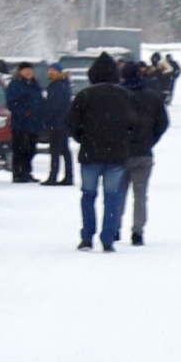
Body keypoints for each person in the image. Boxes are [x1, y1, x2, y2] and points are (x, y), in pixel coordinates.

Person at [65, 52, 139, 252]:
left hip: (90, 153)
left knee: (88, 195)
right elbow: (135, 124)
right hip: (117, 155)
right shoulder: (126, 96)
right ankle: (107, 238)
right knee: (112, 197)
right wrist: (124, 140)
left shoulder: (85, 95)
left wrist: (84, 138)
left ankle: (87, 236)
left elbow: (71, 124)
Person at [119, 59, 169, 246]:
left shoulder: (118, 96)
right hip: (144, 153)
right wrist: (150, 140)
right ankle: (137, 231)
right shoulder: (153, 97)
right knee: (140, 195)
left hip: (120, 152)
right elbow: (163, 123)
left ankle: (114, 227)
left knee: (118, 194)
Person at [4, 62, 45, 182]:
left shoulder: (35, 84)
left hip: (34, 123)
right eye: (25, 70)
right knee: (20, 149)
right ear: (20, 72)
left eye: (30, 70)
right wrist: (24, 112)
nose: (28, 72)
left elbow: (39, 101)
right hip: (20, 123)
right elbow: (11, 103)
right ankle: (18, 173)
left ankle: (27, 171)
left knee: (31, 149)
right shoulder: (16, 84)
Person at [41, 65, 74, 185]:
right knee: (64, 150)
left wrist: (47, 119)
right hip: (62, 122)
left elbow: (54, 105)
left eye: (53, 70)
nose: (50, 72)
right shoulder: (63, 84)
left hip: (57, 122)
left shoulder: (58, 85)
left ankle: (53, 176)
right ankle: (68, 176)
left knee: (55, 150)